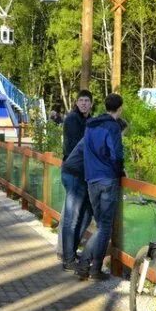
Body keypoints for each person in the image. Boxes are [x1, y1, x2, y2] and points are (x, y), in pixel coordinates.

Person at [76, 93, 126, 281]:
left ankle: (95, 268)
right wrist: (120, 170)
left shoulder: (91, 125)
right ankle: (86, 264)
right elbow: (116, 154)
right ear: (119, 108)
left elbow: (87, 151)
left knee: (100, 225)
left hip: (91, 178)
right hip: (107, 178)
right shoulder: (112, 126)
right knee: (104, 226)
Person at [58, 89, 94, 267]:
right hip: (73, 172)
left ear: (91, 103)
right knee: (72, 217)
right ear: (76, 103)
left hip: (85, 173)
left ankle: (70, 252)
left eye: (87, 101)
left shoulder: (90, 120)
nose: (84, 103)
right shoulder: (72, 119)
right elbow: (75, 146)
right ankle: (68, 258)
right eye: (81, 100)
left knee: (86, 215)